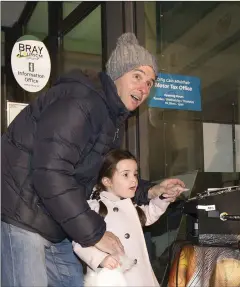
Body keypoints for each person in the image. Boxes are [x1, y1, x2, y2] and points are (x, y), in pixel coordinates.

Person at [2, 32, 186, 286]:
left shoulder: (110, 118)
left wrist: (151, 190)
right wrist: (96, 234)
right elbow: (51, 172)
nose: (143, 88)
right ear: (116, 76)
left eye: (150, 83)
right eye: (137, 77)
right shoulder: (81, 102)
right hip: (22, 214)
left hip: (56, 221)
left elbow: (106, 174)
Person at [74, 149, 177, 286]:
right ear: (107, 181)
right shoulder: (94, 207)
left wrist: (164, 198)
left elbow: (149, 214)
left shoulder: (130, 206)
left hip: (140, 277)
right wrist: (101, 259)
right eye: (125, 175)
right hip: (113, 277)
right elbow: (80, 241)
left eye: (135, 174)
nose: (134, 180)